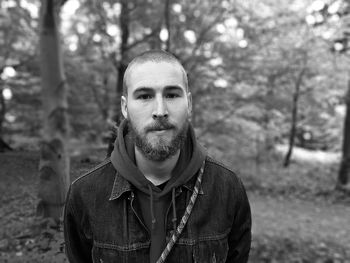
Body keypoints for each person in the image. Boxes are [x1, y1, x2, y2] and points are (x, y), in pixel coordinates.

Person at [64, 50, 252, 263]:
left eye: (172, 95)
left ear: (188, 103)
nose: (160, 110)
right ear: (125, 107)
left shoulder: (228, 188)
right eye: (145, 96)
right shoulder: (85, 194)